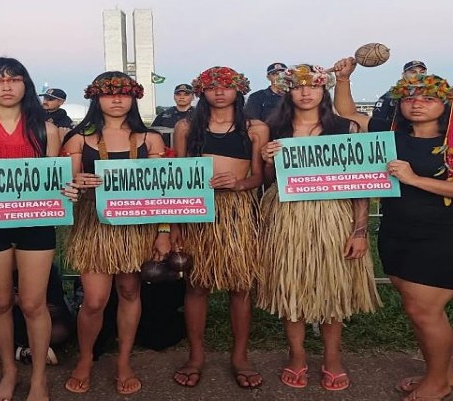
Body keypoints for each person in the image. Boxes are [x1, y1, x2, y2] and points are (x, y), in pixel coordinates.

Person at [0, 57, 76, 401]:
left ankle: (38, 378)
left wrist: (66, 188)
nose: (6, 86)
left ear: (26, 84)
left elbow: (55, 181)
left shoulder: (45, 130)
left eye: (13, 79)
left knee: (34, 304)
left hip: (36, 223)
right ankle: (8, 370)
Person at [333, 57, 453, 401]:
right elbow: (349, 113)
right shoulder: (389, 133)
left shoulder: (451, 139)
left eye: (427, 98)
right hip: (397, 230)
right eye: (410, 97)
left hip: (440, 235)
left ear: (443, 103)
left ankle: (438, 383)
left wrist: (414, 179)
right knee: (420, 310)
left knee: (424, 311)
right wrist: (344, 79)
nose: (417, 103)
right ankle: (441, 372)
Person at [258, 64, 381, 392]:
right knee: (292, 286)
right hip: (288, 217)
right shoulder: (276, 129)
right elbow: (270, 183)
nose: (306, 92)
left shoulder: (344, 128)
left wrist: (359, 231)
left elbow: (360, 183)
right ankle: (297, 355)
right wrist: (269, 161)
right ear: (288, 91)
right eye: (298, 87)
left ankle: (332, 357)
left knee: (331, 287)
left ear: (323, 90)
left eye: (312, 86)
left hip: (333, 217)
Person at [61, 71, 167, 396]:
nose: (117, 99)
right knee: (94, 300)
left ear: (134, 97)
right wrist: (75, 185)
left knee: (130, 292)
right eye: (109, 94)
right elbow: (65, 186)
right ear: (97, 98)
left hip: (136, 226)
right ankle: (86, 358)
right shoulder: (80, 139)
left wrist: (163, 232)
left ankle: (123, 361)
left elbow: (164, 188)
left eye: (123, 93)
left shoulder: (150, 140)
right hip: (94, 225)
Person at [172, 66, 268, 390]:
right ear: (202, 91)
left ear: (238, 90)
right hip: (198, 211)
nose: (219, 91)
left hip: (238, 212)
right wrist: (176, 226)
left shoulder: (255, 128)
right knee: (197, 284)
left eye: (226, 86)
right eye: (212, 86)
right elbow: (177, 176)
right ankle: (196, 356)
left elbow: (260, 177)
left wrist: (239, 184)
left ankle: (240, 356)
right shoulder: (186, 126)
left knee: (240, 285)